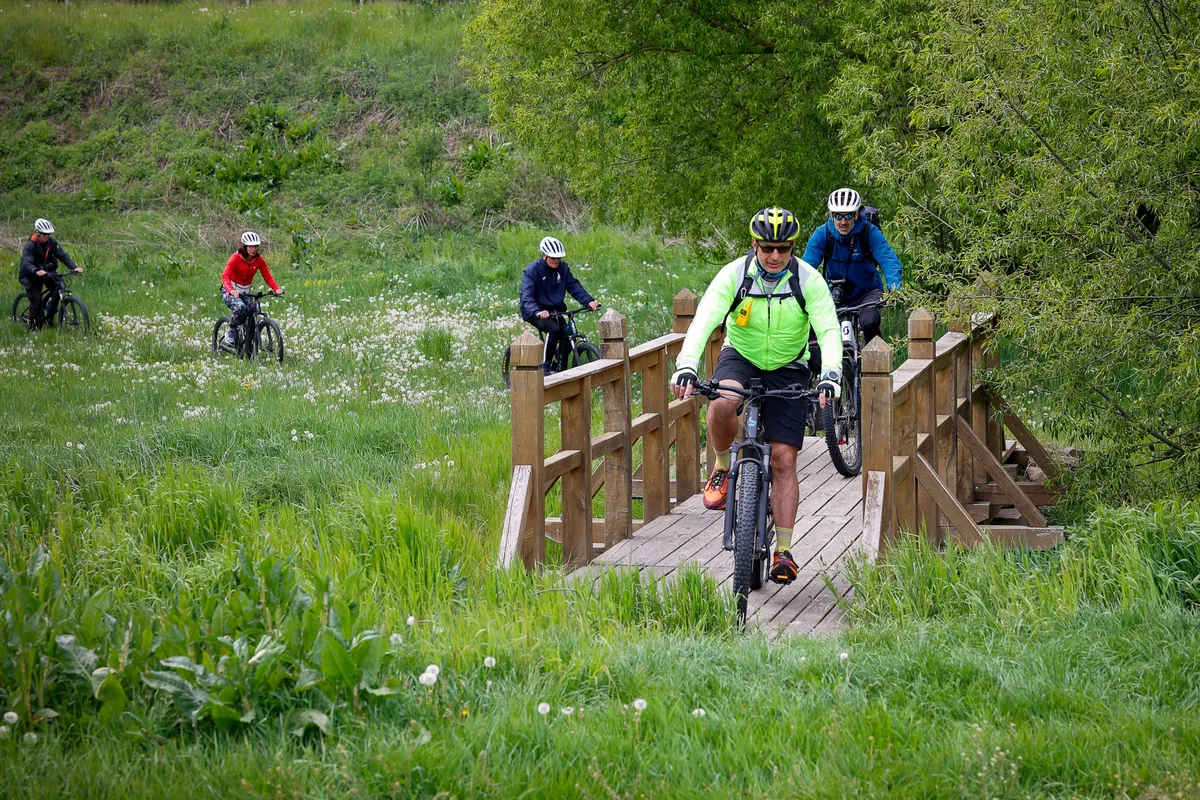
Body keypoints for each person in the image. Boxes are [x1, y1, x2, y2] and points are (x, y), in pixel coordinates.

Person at [671, 207, 843, 585]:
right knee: (721, 403)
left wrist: (831, 375)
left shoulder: (807, 280)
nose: (775, 256)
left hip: (790, 365)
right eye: (767, 248)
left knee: (783, 458)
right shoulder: (735, 275)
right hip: (742, 356)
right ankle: (720, 467)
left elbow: (829, 329)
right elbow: (704, 321)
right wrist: (686, 364)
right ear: (754, 244)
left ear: (793, 247)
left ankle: (783, 550)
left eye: (783, 248)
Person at [799, 188, 903, 374]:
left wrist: (895, 288)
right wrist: (799, 292)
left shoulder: (868, 232)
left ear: (857, 213)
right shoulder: (823, 234)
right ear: (832, 215)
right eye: (838, 216)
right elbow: (806, 268)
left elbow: (888, 260)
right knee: (813, 331)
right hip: (834, 294)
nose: (843, 221)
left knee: (869, 322)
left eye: (848, 215)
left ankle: (876, 366)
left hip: (867, 292)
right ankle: (821, 379)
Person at [519, 236, 599, 375]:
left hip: (556, 311)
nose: (556, 261)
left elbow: (574, 286)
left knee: (567, 332)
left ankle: (560, 364)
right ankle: (545, 367)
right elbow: (526, 296)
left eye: (559, 258)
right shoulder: (532, 271)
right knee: (553, 330)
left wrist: (588, 301)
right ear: (544, 255)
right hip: (536, 311)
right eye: (552, 258)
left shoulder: (563, 268)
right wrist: (537, 311)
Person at [219, 232, 281, 351]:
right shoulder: (236, 258)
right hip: (230, 290)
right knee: (240, 307)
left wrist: (276, 289)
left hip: (245, 291)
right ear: (245, 247)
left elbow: (267, 277)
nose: (254, 249)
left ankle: (247, 345)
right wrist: (232, 291)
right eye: (251, 246)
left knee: (254, 310)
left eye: (256, 246)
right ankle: (231, 332)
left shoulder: (259, 260)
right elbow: (225, 276)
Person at [19, 218, 83, 329]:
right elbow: (26, 262)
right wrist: (35, 271)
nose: (47, 236)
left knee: (59, 287)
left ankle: (49, 317)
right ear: (38, 233)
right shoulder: (31, 245)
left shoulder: (51, 243)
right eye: (44, 234)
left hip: (46, 271)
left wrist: (74, 267)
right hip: (31, 274)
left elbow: (62, 255)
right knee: (36, 299)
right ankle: (32, 322)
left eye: (49, 234)